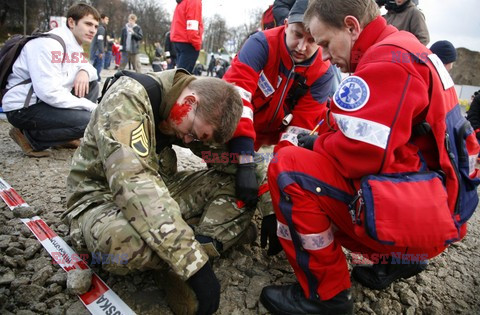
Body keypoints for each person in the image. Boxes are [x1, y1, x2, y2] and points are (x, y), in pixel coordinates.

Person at [260, 0, 479, 314]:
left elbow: (359, 156)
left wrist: (307, 154)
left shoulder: (386, 61)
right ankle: (398, 259)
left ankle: (327, 295)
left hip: (423, 217)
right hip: (436, 202)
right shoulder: (403, 48)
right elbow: (347, 120)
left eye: (324, 43)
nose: (322, 55)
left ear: (351, 27)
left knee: (288, 170)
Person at [64, 69, 247, 315]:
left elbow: (225, 157)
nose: (189, 140)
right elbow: (134, 185)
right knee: (119, 244)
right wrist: (194, 266)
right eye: (192, 133)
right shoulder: (128, 97)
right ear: (190, 101)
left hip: (159, 190)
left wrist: (251, 172)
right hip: (101, 199)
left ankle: (177, 245)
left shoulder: (185, 108)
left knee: (244, 187)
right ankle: (194, 244)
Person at [220, 0, 335, 249]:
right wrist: (245, 161)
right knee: (226, 167)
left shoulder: (324, 73)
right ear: (285, 25)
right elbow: (236, 97)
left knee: (281, 171)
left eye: (312, 40)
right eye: (296, 35)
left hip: (278, 131)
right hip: (244, 125)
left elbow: (300, 130)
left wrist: (276, 196)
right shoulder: (260, 44)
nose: (302, 47)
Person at [3, 3, 100, 157]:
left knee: (91, 84)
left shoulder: (74, 45)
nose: (93, 30)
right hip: (23, 108)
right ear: (71, 22)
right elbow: (48, 92)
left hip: (44, 103)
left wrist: (84, 71)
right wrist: (89, 106)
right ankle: (30, 137)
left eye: (95, 26)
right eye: (88, 24)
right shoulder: (49, 44)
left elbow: (93, 72)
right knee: (93, 120)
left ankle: (64, 137)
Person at [170, 0, 203, 73]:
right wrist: (197, 45)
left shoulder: (182, 2)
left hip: (179, 40)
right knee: (182, 77)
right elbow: (192, 26)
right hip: (189, 42)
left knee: (179, 73)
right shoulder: (194, 1)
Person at [90, 13, 108, 81]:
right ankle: (96, 80)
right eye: (106, 19)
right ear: (102, 19)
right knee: (98, 67)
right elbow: (100, 40)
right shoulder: (101, 29)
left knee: (94, 66)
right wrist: (101, 51)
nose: (107, 20)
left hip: (95, 50)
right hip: (97, 51)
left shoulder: (98, 27)